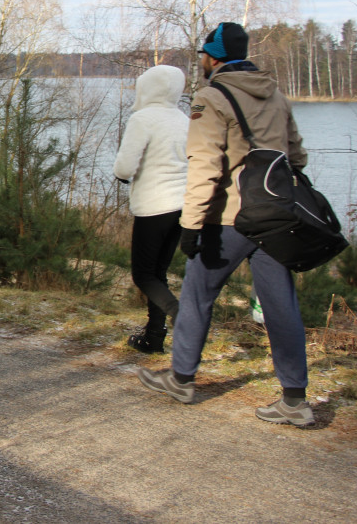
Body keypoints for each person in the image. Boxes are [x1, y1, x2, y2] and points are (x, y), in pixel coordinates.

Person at [136, 22, 314, 426]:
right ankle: (295, 400)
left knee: (198, 294)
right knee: (280, 304)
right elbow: (297, 156)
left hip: (230, 219)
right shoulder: (276, 94)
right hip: (275, 218)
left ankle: (181, 379)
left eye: (202, 54)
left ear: (213, 57)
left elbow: (204, 165)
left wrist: (192, 224)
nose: (200, 61)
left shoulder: (211, 97)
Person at [113, 65, 188, 353]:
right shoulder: (183, 119)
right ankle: (154, 336)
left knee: (143, 275)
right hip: (182, 206)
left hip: (154, 205)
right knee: (159, 271)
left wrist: (122, 175)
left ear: (148, 88)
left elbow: (125, 165)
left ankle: (179, 314)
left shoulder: (143, 118)